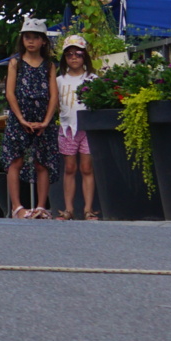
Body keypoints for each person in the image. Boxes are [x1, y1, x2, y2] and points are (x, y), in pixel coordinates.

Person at [3, 18, 61, 219]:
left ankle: (41, 206)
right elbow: (10, 93)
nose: (31, 42)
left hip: (43, 119)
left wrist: (46, 121)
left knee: (42, 162)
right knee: (15, 160)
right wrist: (20, 118)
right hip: (19, 118)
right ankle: (17, 207)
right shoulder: (15, 63)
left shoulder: (49, 66)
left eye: (36, 38)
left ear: (43, 41)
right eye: (27, 37)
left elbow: (54, 95)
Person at [56, 34, 97, 221]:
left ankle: (88, 209)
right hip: (66, 128)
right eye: (69, 54)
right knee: (70, 168)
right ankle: (69, 209)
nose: (74, 58)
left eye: (78, 54)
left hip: (87, 129)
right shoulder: (59, 80)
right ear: (65, 58)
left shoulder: (92, 78)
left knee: (87, 168)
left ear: (84, 56)